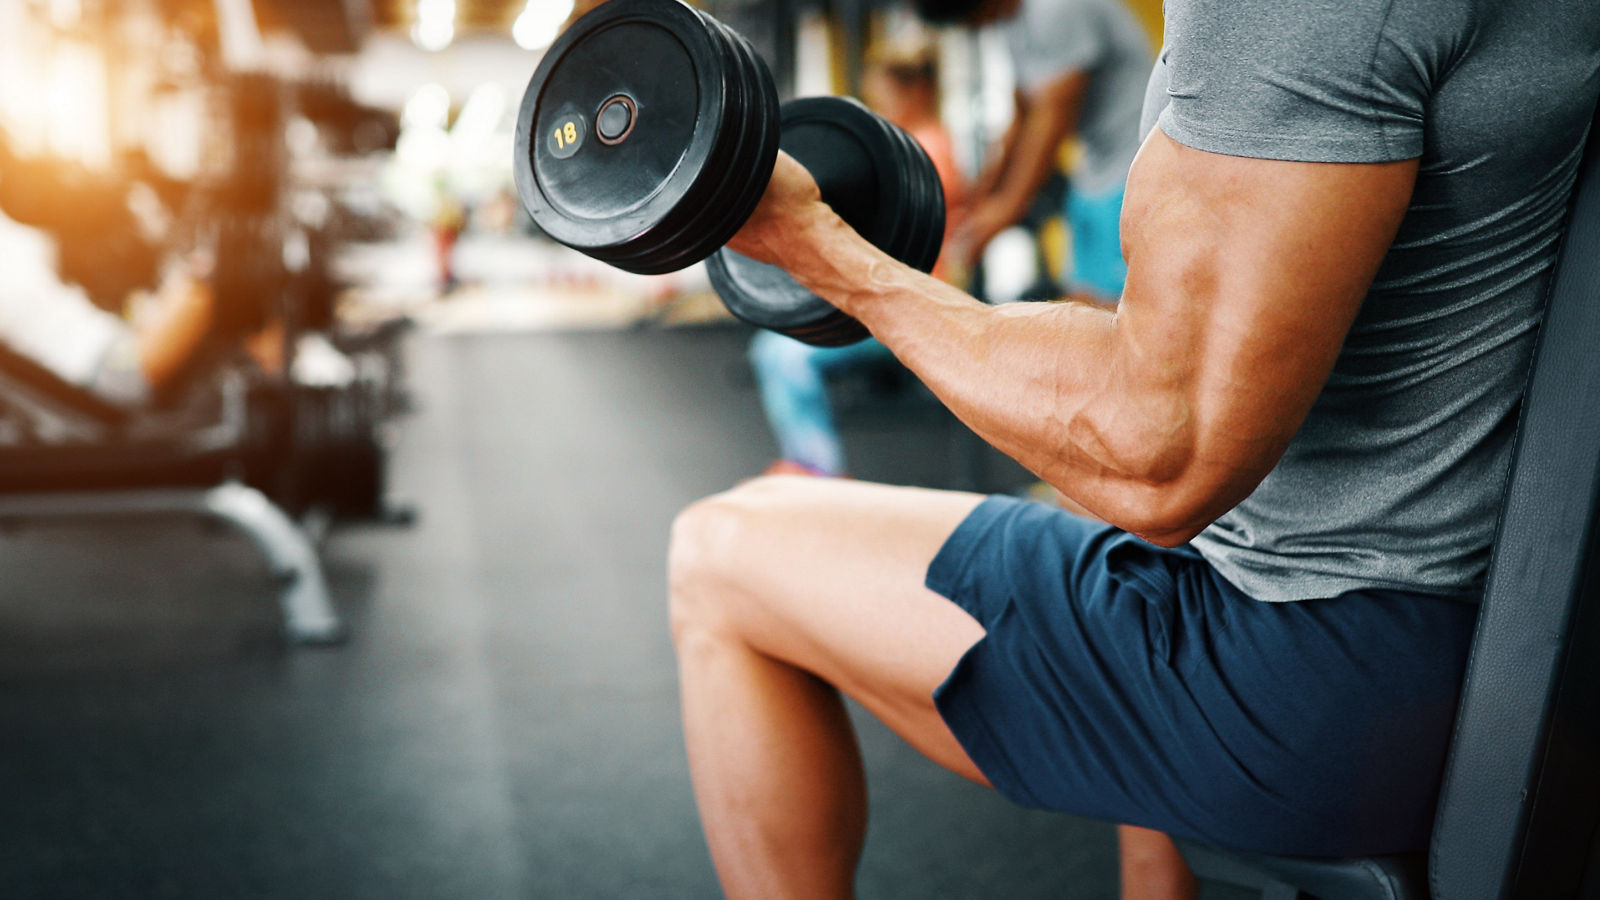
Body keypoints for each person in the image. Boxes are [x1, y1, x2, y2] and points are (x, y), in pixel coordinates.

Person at [666, 2, 1600, 899]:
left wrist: (821, 251)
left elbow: (1159, 455)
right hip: (1494, 646)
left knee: (720, 552)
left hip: (1320, 679)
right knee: (1088, 510)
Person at [749, 46, 968, 477]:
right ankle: (810, 462)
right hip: (889, 296)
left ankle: (820, 470)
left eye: (889, 97)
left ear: (918, 92)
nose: (883, 108)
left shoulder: (927, 152)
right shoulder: (908, 148)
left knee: (782, 356)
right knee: (777, 342)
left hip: (913, 310)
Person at [916, 0, 1149, 303]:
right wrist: (982, 197)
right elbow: (1022, 113)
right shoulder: (1012, 21)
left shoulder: (1057, 8)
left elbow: (1053, 116)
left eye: (975, 17)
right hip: (1093, 172)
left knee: (1122, 308)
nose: (980, 26)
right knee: (1082, 301)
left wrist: (1006, 208)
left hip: (1133, 169)